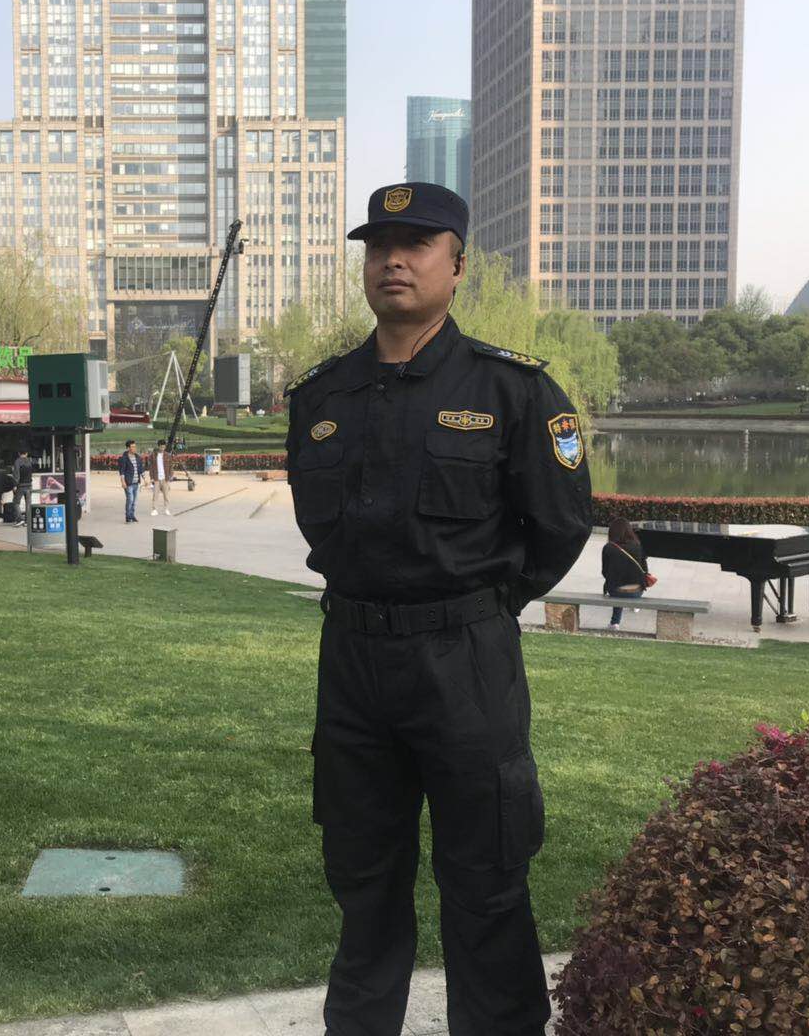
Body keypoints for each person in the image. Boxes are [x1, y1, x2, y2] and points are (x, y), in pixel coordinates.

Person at [286, 182, 593, 1036]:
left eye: (417, 244)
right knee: (363, 881)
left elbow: (561, 525)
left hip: (466, 665)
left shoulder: (514, 389)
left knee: (486, 877)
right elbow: (321, 529)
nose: (394, 260)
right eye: (378, 245)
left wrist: (479, 605)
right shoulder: (321, 398)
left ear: (457, 266)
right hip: (353, 665)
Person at [602, 517, 651, 630]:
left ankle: (615, 623)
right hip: (636, 591)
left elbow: (605, 572)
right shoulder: (638, 546)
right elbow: (645, 570)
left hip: (615, 591)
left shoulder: (608, 548)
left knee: (617, 586)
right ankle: (634, 605)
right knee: (624, 586)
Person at [145, 438, 174, 517]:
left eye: (164, 447)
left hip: (165, 478)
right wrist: (151, 477)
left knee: (166, 495)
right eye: (161, 447)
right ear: (158, 446)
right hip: (156, 478)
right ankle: (154, 509)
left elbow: (171, 466)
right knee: (155, 495)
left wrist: (170, 475)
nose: (162, 448)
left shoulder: (168, 455)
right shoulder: (153, 456)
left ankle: (167, 509)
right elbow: (151, 467)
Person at [117, 438, 143, 523]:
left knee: (134, 501)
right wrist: (123, 482)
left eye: (135, 446)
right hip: (128, 483)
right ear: (128, 448)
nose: (134, 448)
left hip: (136, 483)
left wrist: (145, 479)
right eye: (132, 447)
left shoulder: (138, 457)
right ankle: (128, 517)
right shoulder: (124, 458)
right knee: (130, 500)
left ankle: (132, 515)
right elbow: (122, 471)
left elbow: (140, 469)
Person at [11, 448, 34, 525]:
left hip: (21, 486)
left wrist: (14, 485)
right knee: (28, 503)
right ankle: (27, 521)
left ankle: (20, 519)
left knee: (15, 502)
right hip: (29, 485)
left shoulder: (17, 461)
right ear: (26, 453)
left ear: (19, 453)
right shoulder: (29, 461)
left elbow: (16, 475)